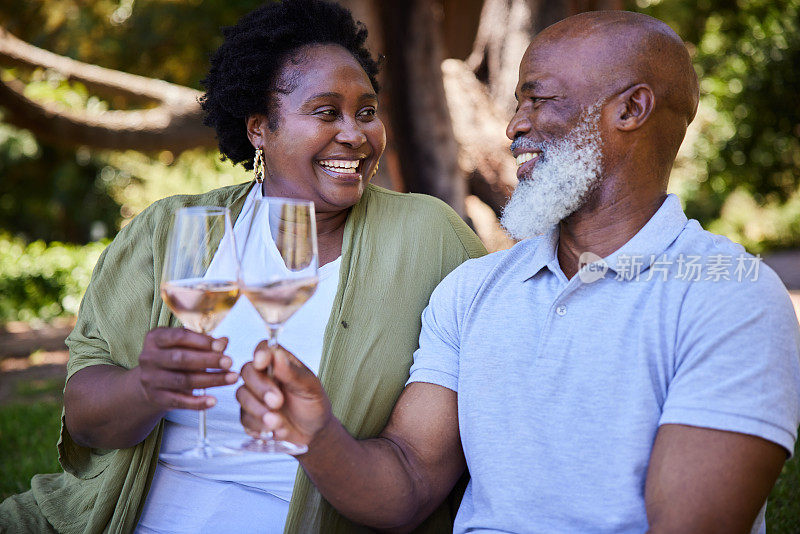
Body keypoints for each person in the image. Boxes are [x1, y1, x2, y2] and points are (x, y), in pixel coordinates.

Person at [236, 10, 800, 533]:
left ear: (630, 110)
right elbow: (407, 480)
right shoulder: (474, 290)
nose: (513, 127)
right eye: (517, 103)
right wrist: (315, 434)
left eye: (540, 100)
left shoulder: (731, 295)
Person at [0, 1, 485, 532]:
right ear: (259, 129)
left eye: (366, 112)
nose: (355, 133)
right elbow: (84, 418)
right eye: (326, 112)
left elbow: (420, 476)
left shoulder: (431, 239)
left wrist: (316, 437)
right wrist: (145, 387)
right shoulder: (170, 230)